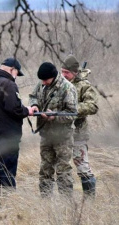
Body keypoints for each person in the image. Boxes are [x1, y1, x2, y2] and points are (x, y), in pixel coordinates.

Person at [0, 58, 32, 203]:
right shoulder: (9, 84)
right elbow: (14, 108)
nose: (16, 76)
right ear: (12, 70)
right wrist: (27, 110)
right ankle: (11, 205)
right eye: (17, 73)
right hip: (8, 137)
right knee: (8, 171)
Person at [29, 62, 77, 198]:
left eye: (45, 80)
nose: (43, 83)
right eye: (41, 80)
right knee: (45, 169)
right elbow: (33, 96)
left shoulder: (67, 88)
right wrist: (34, 106)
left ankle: (66, 204)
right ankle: (46, 203)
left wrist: (54, 116)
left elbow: (72, 114)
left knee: (63, 171)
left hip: (63, 137)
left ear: (53, 76)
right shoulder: (42, 84)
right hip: (46, 135)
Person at [61, 54, 98, 198]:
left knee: (82, 167)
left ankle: (89, 201)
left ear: (75, 72)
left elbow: (92, 106)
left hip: (78, 133)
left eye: (67, 72)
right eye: (62, 71)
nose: (63, 75)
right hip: (60, 133)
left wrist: (73, 110)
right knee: (62, 168)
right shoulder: (59, 83)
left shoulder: (84, 86)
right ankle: (65, 201)